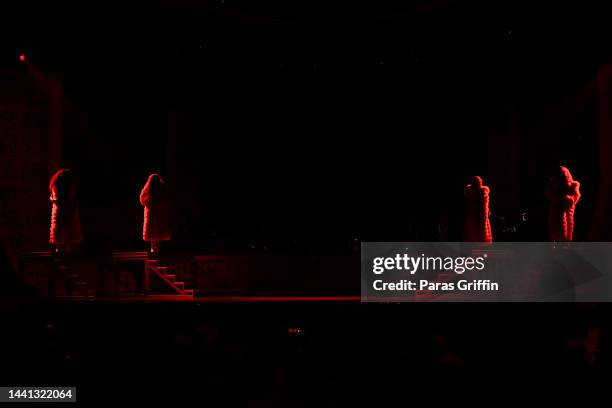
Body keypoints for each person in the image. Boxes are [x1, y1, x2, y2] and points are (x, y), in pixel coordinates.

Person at [49, 168, 82, 254]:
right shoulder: (68, 190)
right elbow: (71, 206)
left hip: (59, 219)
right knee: (69, 246)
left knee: (60, 246)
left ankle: (61, 263)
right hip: (66, 219)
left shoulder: (55, 188)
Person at [140, 173, 172, 257]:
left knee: (156, 235)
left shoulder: (160, 187)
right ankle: (154, 251)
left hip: (157, 214)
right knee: (154, 235)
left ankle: (156, 251)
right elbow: (142, 199)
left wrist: (157, 204)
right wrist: (152, 203)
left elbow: (167, 200)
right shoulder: (149, 187)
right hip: (153, 214)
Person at [546, 166, 581, 242]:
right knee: (557, 232)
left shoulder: (572, 187)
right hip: (556, 216)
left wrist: (565, 198)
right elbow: (549, 195)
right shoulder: (554, 187)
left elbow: (574, 198)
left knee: (566, 233)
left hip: (568, 215)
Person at [463, 176, 493, 243]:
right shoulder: (470, 193)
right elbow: (468, 205)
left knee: (481, 233)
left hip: (481, 216)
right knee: (473, 234)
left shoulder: (483, 192)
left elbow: (485, 204)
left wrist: (487, 211)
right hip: (473, 216)